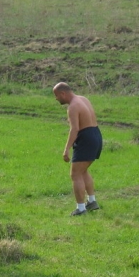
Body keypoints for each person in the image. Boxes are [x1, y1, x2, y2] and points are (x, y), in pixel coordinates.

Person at [53, 82, 103, 216]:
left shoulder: (73, 107)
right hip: (96, 135)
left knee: (75, 174)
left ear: (63, 93)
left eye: (56, 95)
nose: (56, 99)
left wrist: (66, 149)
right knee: (82, 171)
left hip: (86, 138)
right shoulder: (83, 99)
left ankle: (81, 209)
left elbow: (74, 129)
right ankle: (92, 202)